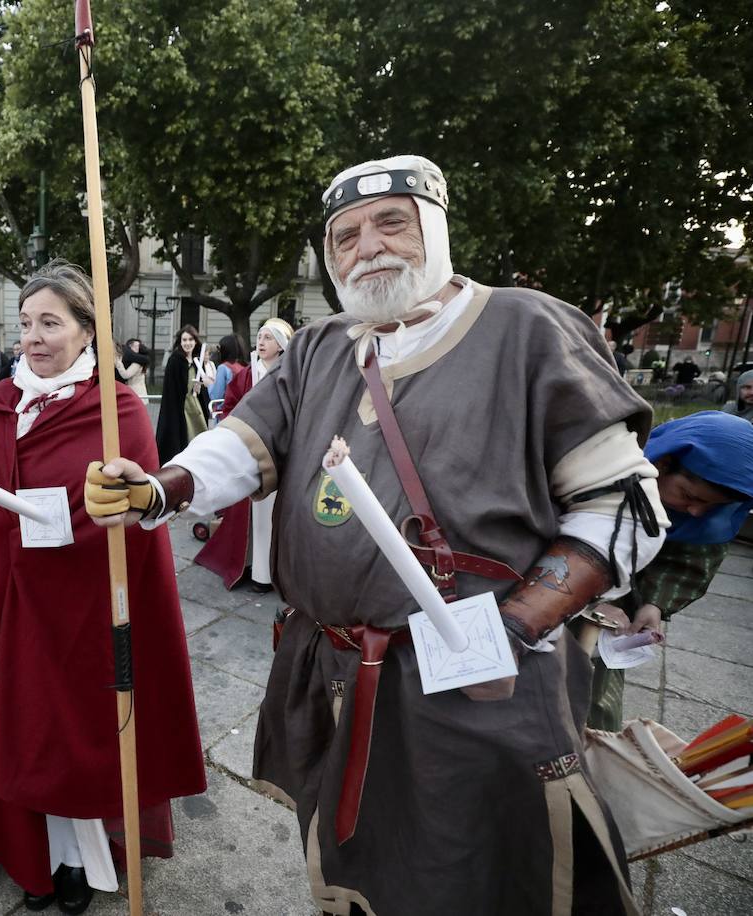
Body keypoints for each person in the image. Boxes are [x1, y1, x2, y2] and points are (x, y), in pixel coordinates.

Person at [85, 155, 669, 916]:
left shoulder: (525, 326)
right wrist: (161, 487)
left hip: (477, 673)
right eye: (345, 236)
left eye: (392, 222)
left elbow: (620, 500)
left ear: (436, 228)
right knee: (350, 851)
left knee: (474, 860)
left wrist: (518, 624)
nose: (368, 247)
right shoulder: (320, 345)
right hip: (331, 663)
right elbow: (244, 442)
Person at [0, 262, 204, 914]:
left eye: (51, 322)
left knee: (74, 737)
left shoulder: (119, 411)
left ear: (87, 332)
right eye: (26, 323)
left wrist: (61, 521)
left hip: (81, 606)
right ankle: (32, 856)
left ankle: (79, 859)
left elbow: (129, 508)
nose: (35, 337)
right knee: (17, 732)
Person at [586, 411, 753, 730]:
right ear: (662, 463)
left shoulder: (706, 518)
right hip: (552, 597)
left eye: (711, 506)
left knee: (593, 703)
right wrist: (587, 601)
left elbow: (688, 563)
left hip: (613, 619)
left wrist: (654, 604)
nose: (695, 512)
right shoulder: (599, 479)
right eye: (689, 496)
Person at [194, 318, 295, 594]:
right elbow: (230, 406)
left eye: (268, 338)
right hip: (252, 452)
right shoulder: (247, 374)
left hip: (284, 455)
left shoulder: (294, 375)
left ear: (282, 344)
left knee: (280, 516)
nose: (261, 342)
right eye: (260, 337)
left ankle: (276, 573)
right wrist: (242, 433)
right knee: (253, 516)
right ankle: (255, 568)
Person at [154, 325, 212, 463]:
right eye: (184, 340)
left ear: (195, 341)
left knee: (199, 435)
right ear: (180, 342)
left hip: (195, 405)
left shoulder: (197, 360)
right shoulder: (175, 360)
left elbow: (203, 385)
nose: (187, 343)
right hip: (181, 407)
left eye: (190, 339)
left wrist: (201, 386)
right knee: (183, 437)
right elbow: (172, 390)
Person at [206, 334, 247, 418]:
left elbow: (216, 396)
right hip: (241, 413)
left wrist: (209, 384)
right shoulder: (245, 367)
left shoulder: (223, 368)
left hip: (225, 414)